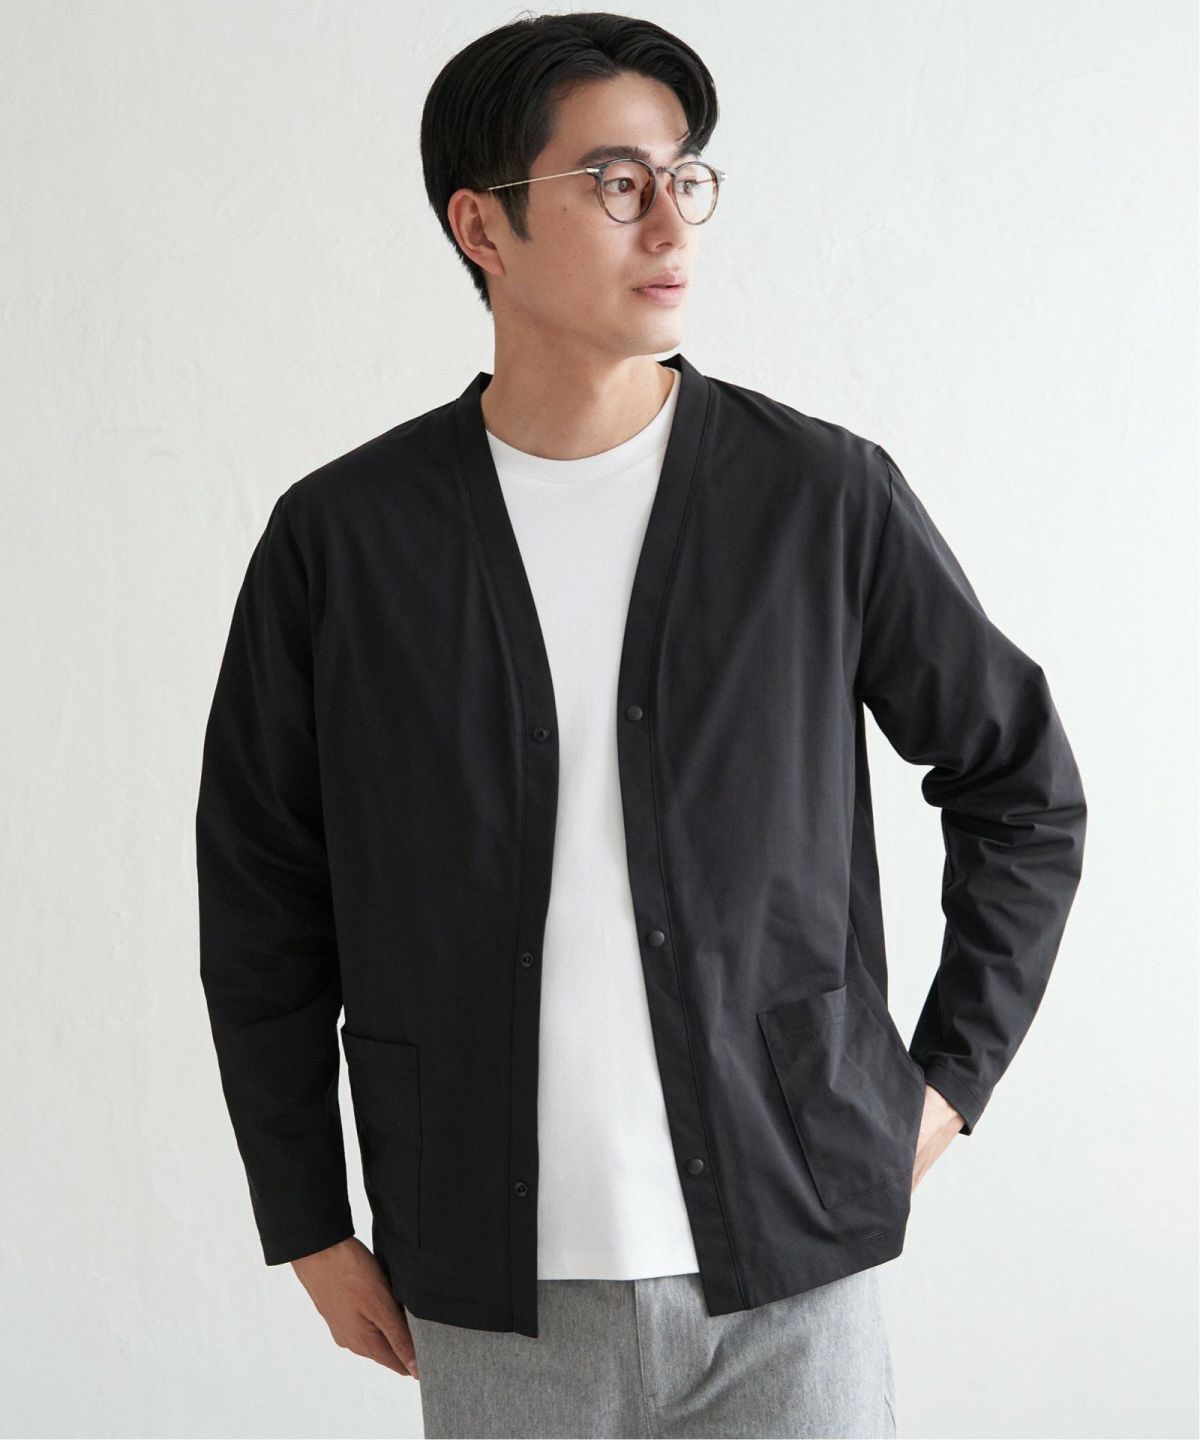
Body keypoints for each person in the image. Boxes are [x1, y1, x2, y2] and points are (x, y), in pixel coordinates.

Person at [195, 12, 1087, 1439]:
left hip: (793, 1269)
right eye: (614, 182)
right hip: (493, 1281)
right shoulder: (345, 541)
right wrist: (303, 1215)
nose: (669, 220)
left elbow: (1020, 787)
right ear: (480, 225)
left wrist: (944, 1089)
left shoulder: (818, 500)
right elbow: (261, 892)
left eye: (686, 177)